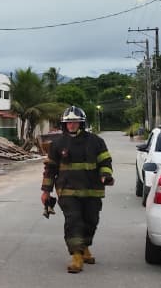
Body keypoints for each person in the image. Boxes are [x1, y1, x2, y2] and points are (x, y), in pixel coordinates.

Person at [40, 106, 113, 273]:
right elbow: (50, 169)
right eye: (68, 123)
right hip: (68, 191)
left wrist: (105, 175)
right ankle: (77, 256)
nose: (71, 125)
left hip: (92, 190)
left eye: (74, 122)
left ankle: (85, 247)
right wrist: (46, 191)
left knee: (91, 221)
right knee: (74, 221)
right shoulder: (58, 144)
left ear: (81, 123)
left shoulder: (96, 141)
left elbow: (105, 163)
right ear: (64, 125)